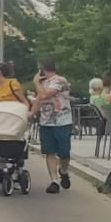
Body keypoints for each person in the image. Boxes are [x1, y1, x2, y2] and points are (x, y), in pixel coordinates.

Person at [32, 58, 74, 194]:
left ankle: (64, 170)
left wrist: (35, 83)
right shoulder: (42, 83)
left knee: (64, 152)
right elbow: (39, 99)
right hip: (46, 122)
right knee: (49, 151)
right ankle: (54, 181)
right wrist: (31, 113)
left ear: (43, 69)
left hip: (62, 121)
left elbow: (44, 94)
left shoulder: (59, 81)